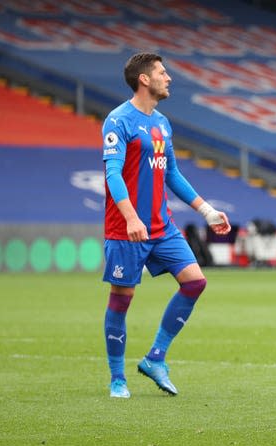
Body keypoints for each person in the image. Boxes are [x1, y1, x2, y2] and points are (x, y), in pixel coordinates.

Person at [101, 52, 231, 399]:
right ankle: (118, 379)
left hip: (162, 226)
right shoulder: (118, 121)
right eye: (161, 72)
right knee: (122, 298)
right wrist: (130, 217)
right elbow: (113, 173)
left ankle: (156, 357)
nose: (168, 77)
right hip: (126, 228)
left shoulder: (161, 123)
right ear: (144, 79)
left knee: (195, 282)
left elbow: (171, 173)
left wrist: (207, 211)